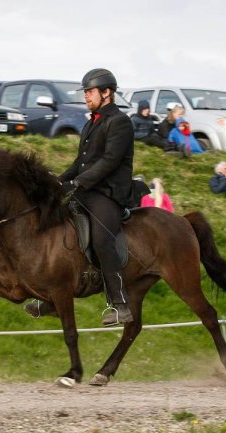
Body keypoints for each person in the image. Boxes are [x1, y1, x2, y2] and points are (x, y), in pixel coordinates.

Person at [25, 68, 135, 327]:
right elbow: (80, 162)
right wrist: (59, 182)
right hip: (87, 189)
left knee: (100, 238)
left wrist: (78, 182)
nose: (86, 96)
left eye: (90, 91)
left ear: (106, 92)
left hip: (108, 193)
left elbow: (108, 162)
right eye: (85, 92)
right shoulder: (91, 122)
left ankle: (120, 304)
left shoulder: (119, 122)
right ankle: (51, 298)